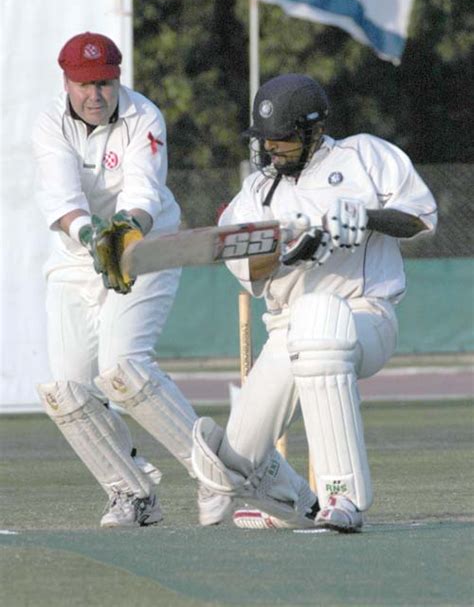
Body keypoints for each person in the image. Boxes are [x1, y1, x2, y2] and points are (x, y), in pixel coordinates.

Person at [191, 72, 437, 532]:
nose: (271, 149)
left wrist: (366, 218)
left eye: (282, 138)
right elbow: (251, 271)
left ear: (313, 129)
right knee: (233, 463)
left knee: (319, 321)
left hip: (364, 316)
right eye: (265, 140)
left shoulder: (364, 155)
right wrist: (286, 257)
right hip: (285, 332)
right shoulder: (255, 194)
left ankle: (342, 498)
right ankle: (293, 501)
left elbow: (420, 219)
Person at [32, 31, 229, 528]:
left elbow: (143, 189)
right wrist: (92, 237)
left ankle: (212, 473)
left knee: (123, 368)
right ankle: (132, 493)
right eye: (84, 85)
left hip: (146, 249)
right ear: (67, 81)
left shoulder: (144, 116)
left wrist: (124, 235)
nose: (95, 95)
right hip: (78, 258)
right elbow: (61, 200)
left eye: (104, 84)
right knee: (68, 389)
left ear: (117, 79)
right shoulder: (49, 123)